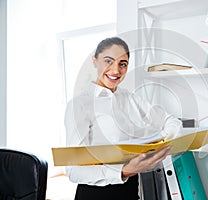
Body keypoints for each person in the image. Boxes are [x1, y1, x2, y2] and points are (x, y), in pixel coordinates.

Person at [64, 36, 182, 199]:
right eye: (108, 61)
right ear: (94, 61)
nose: (115, 70)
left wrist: (163, 141)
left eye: (122, 64)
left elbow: (170, 121)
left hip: (131, 192)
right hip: (96, 195)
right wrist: (124, 171)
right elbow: (73, 170)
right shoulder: (79, 105)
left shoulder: (131, 99)